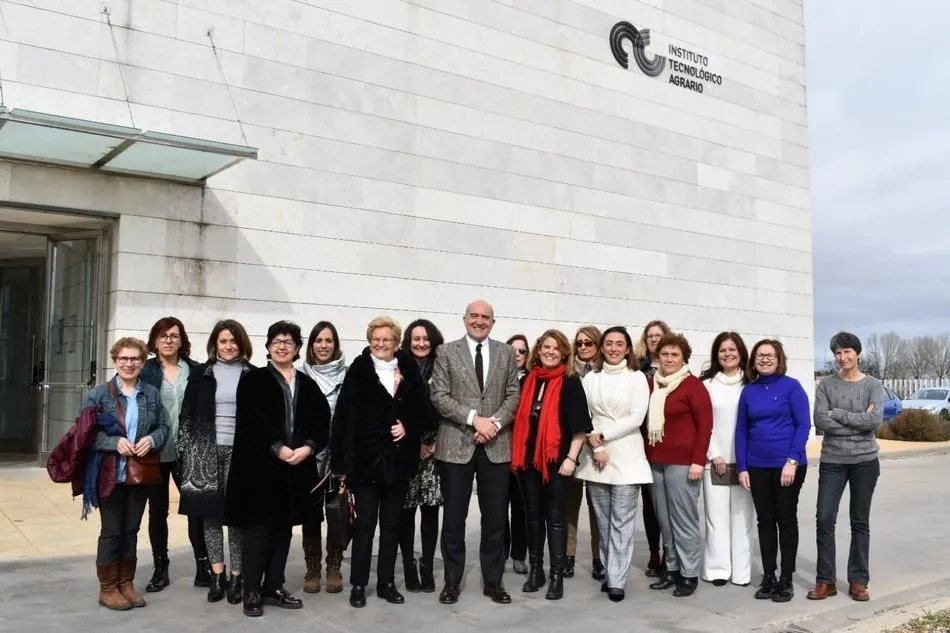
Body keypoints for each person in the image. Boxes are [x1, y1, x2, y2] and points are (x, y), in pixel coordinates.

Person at [224, 321, 331, 617]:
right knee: (258, 531)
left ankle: (273, 585)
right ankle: (252, 591)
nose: (282, 346)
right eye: (276, 341)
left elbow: (321, 420)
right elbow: (250, 420)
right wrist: (278, 447)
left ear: (297, 348)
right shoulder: (254, 379)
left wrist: (308, 447)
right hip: (260, 469)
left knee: (283, 530)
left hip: (294, 471)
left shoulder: (307, 384)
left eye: (288, 341)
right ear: (269, 345)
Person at [332, 316, 434, 608]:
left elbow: (425, 411)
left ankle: (387, 583)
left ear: (396, 342)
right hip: (364, 465)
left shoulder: (409, 370)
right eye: (375, 338)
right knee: (365, 525)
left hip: (398, 463)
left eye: (386, 339)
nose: (380, 343)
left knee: (392, 525)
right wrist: (342, 466)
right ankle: (359, 584)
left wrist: (408, 427)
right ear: (369, 341)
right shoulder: (359, 370)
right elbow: (343, 419)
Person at [430, 300, 521, 605]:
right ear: (464, 319)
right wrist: (473, 419)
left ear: (493, 322)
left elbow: (513, 394)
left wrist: (493, 423)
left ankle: (493, 581)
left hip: (496, 444)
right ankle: (452, 581)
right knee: (454, 519)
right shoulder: (446, 352)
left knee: (495, 518)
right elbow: (439, 396)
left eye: (485, 317)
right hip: (456, 444)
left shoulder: (506, 353)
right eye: (474, 316)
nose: (479, 321)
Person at [84, 337, 169, 611]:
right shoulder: (98, 395)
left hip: (138, 474)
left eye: (135, 359)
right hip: (109, 473)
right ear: (115, 361)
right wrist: (113, 443)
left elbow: (164, 427)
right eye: (124, 358)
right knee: (112, 530)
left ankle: (126, 583)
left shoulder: (152, 394)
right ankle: (107, 588)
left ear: (143, 362)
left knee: (131, 529)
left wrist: (153, 440)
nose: (129, 363)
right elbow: (83, 435)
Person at [176, 319, 254, 604]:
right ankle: (217, 575)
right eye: (223, 341)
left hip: (241, 453)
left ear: (242, 343)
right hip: (204, 453)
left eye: (233, 341)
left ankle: (237, 576)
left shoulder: (253, 375)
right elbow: (186, 416)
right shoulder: (201, 373)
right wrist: (184, 453)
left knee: (236, 517)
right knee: (209, 516)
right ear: (215, 344)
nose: (229, 346)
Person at [511, 329, 591, 600]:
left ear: (564, 353)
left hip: (558, 463)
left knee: (556, 520)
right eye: (546, 346)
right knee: (532, 517)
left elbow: (580, 428)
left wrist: (571, 458)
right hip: (529, 461)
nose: (550, 351)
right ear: (539, 349)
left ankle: (556, 575)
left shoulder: (570, 382)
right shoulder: (529, 380)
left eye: (556, 348)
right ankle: (537, 571)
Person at [575, 326, 650, 602]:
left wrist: (604, 435)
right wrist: (596, 444)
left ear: (628, 348)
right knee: (604, 521)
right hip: (597, 456)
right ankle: (609, 570)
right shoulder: (591, 378)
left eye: (620, 344)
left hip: (627, 457)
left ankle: (618, 579)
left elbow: (636, 417)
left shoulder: (637, 377)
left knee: (622, 521)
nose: (614, 348)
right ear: (602, 347)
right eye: (609, 343)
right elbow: (585, 414)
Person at [808, 332, 884, 603]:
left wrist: (838, 414)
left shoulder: (873, 385)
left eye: (847, 352)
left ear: (858, 353)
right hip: (832, 462)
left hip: (865, 461)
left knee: (859, 521)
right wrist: (857, 421)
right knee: (825, 518)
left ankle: (858, 581)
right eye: (838, 353)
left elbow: (874, 420)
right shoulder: (826, 385)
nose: (842, 357)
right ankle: (825, 580)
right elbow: (820, 420)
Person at [736, 339, 810, 603]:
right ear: (753, 360)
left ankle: (786, 579)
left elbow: (804, 425)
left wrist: (792, 460)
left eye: (770, 355)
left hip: (787, 466)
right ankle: (769, 576)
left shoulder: (792, 387)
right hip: (757, 465)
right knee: (765, 521)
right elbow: (742, 430)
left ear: (779, 359)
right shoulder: (749, 391)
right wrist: (743, 467)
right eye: (760, 355)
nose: (765, 359)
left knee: (786, 520)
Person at [139, 317, 208, 592]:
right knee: (158, 512)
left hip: (188, 452)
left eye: (174, 335)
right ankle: (160, 568)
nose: (169, 340)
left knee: (196, 511)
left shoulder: (196, 370)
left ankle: (203, 566)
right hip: (155, 452)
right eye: (163, 335)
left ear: (182, 340)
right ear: (154, 341)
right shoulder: (144, 372)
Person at [644, 332, 712, 598]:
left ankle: (688, 573)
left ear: (684, 358)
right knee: (665, 521)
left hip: (683, 464)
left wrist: (698, 461)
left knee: (684, 520)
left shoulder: (692, 386)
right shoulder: (653, 385)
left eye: (674, 354)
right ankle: (672, 569)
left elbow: (705, 426)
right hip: (656, 461)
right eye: (665, 354)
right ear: (657, 357)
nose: (669, 359)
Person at [699, 332, 754, 587]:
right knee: (716, 518)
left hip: (746, 464)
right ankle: (717, 569)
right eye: (722, 350)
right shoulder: (707, 385)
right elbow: (702, 423)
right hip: (717, 461)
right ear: (716, 354)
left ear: (741, 352)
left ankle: (742, 573)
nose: (728, 354)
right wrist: (714, 453)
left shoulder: (752, 384)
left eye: (732, 349)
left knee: (742, 518)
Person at [299, 321, 349, 594]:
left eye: (329, 340)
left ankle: (334, 567)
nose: (324, 345)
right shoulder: (299, 376)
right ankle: (312, 569)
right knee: (310, 515)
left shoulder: (349, 375)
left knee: (336, 514)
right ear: (311, 345)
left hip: (338, 457)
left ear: (336, 344)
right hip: (308, 458)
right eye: (318, 340)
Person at [398, 319, 445, 593]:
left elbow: (447, 405)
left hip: (435, 450)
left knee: (430, 509)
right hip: (406, 448)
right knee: (405, 510)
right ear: (408, 341)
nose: (421, 343)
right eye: (416, 338)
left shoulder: (441, 368)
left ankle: (427, 564)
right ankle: (407, 564)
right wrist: (414, 441)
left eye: (426, 338)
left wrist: (434, 441)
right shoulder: (399, 367)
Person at [564, 325, 605, 581]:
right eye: (579, 343)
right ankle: (568, 556)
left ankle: (598, 558)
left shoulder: (604, 374)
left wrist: (597, 440)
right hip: (574, 446)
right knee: (570, 507)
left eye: (589, 343)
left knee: (597, 507)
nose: (583, 348)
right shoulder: (569, 374)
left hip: (599, 446)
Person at [635, 319, 670, 576]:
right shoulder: (639, 369)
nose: (654, 339)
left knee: (667, 501)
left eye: (659, 335)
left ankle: (671, 551)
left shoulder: (676, 368)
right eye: (650, 336)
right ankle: (654, 551)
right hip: (642, 441)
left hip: (669, 440)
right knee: (649, 502)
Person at [503, 334, 530, 575]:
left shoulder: (532, 380)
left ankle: (519, 555)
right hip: (499, 451)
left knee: (520, 508)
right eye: (513, 350)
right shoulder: (497, 377)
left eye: (522, 351)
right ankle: (500, 552)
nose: (517, 355)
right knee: (498, 508)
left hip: (523, 454)